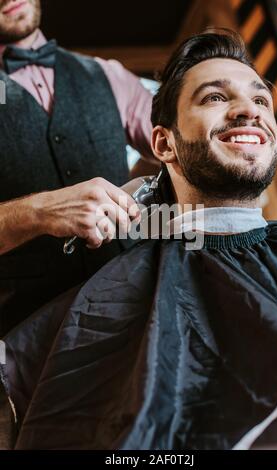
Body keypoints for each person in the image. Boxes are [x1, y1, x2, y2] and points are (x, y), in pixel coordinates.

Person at [1, 29, 277, 450]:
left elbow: (192, 142)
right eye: (216, 96)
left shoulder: (105, 77)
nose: (248, 111)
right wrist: (35, 211)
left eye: (260, 99)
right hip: (58, 331)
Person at [0, 0, 157, 336]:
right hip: (29, 338)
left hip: (135, 313)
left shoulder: (109, 75)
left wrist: (137, 190)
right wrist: (37, 210)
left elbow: (178, 147)